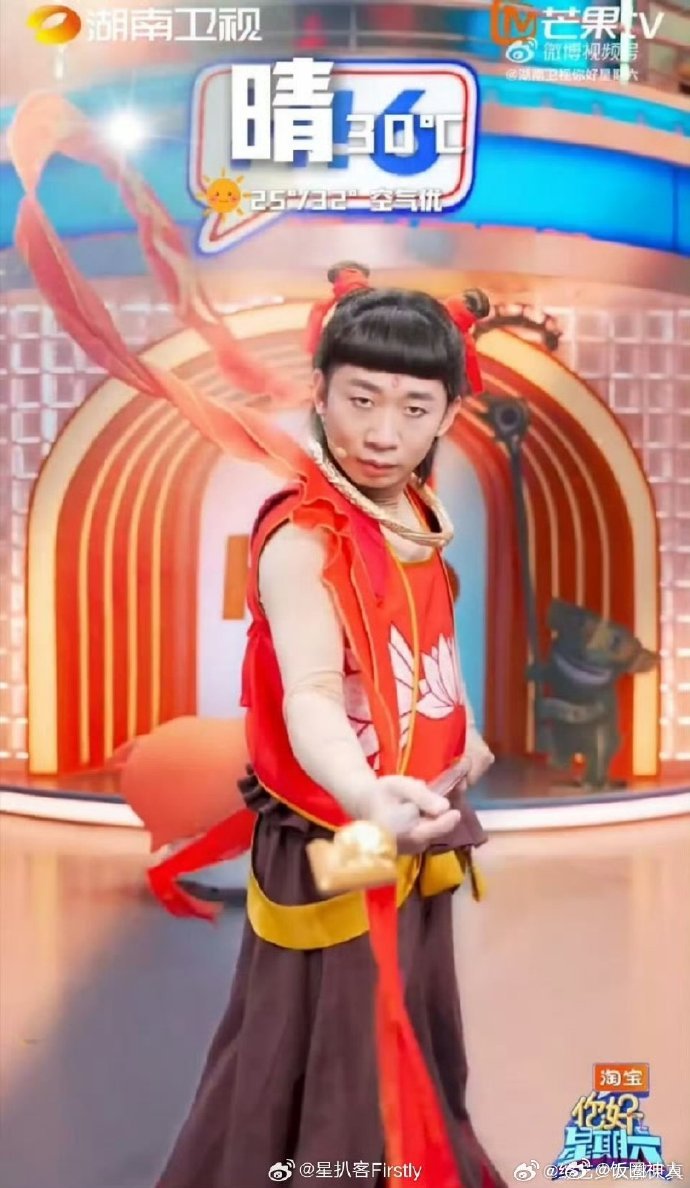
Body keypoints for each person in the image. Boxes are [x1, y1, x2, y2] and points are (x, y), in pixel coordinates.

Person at [152, 284, 507, 1188]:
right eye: (361, 398)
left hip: (418, 818)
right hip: (338, 827)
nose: (383, 433)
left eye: (414, 408)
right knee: (333, 1017)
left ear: (448, 415)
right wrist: (363, 797)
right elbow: (311, 696)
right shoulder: (303, 538)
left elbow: (426, 643)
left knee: (409, 1005)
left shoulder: (415, 511)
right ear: (319, 392)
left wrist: (462, 730)